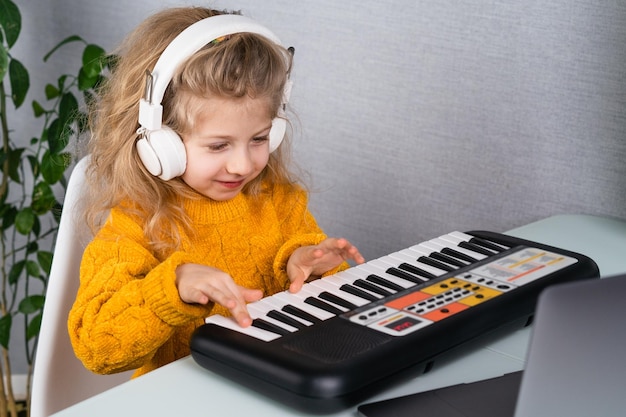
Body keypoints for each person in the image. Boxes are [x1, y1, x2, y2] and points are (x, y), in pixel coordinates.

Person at [68, 6, 364, 378]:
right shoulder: (135, 225)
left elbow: (323, 314)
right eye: (218, 146)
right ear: (161, 144)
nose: (242, 164)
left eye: (258, 138)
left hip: (271, 385)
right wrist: (171, 289)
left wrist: (310, 268)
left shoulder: (280, 201)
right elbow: (98, 348)